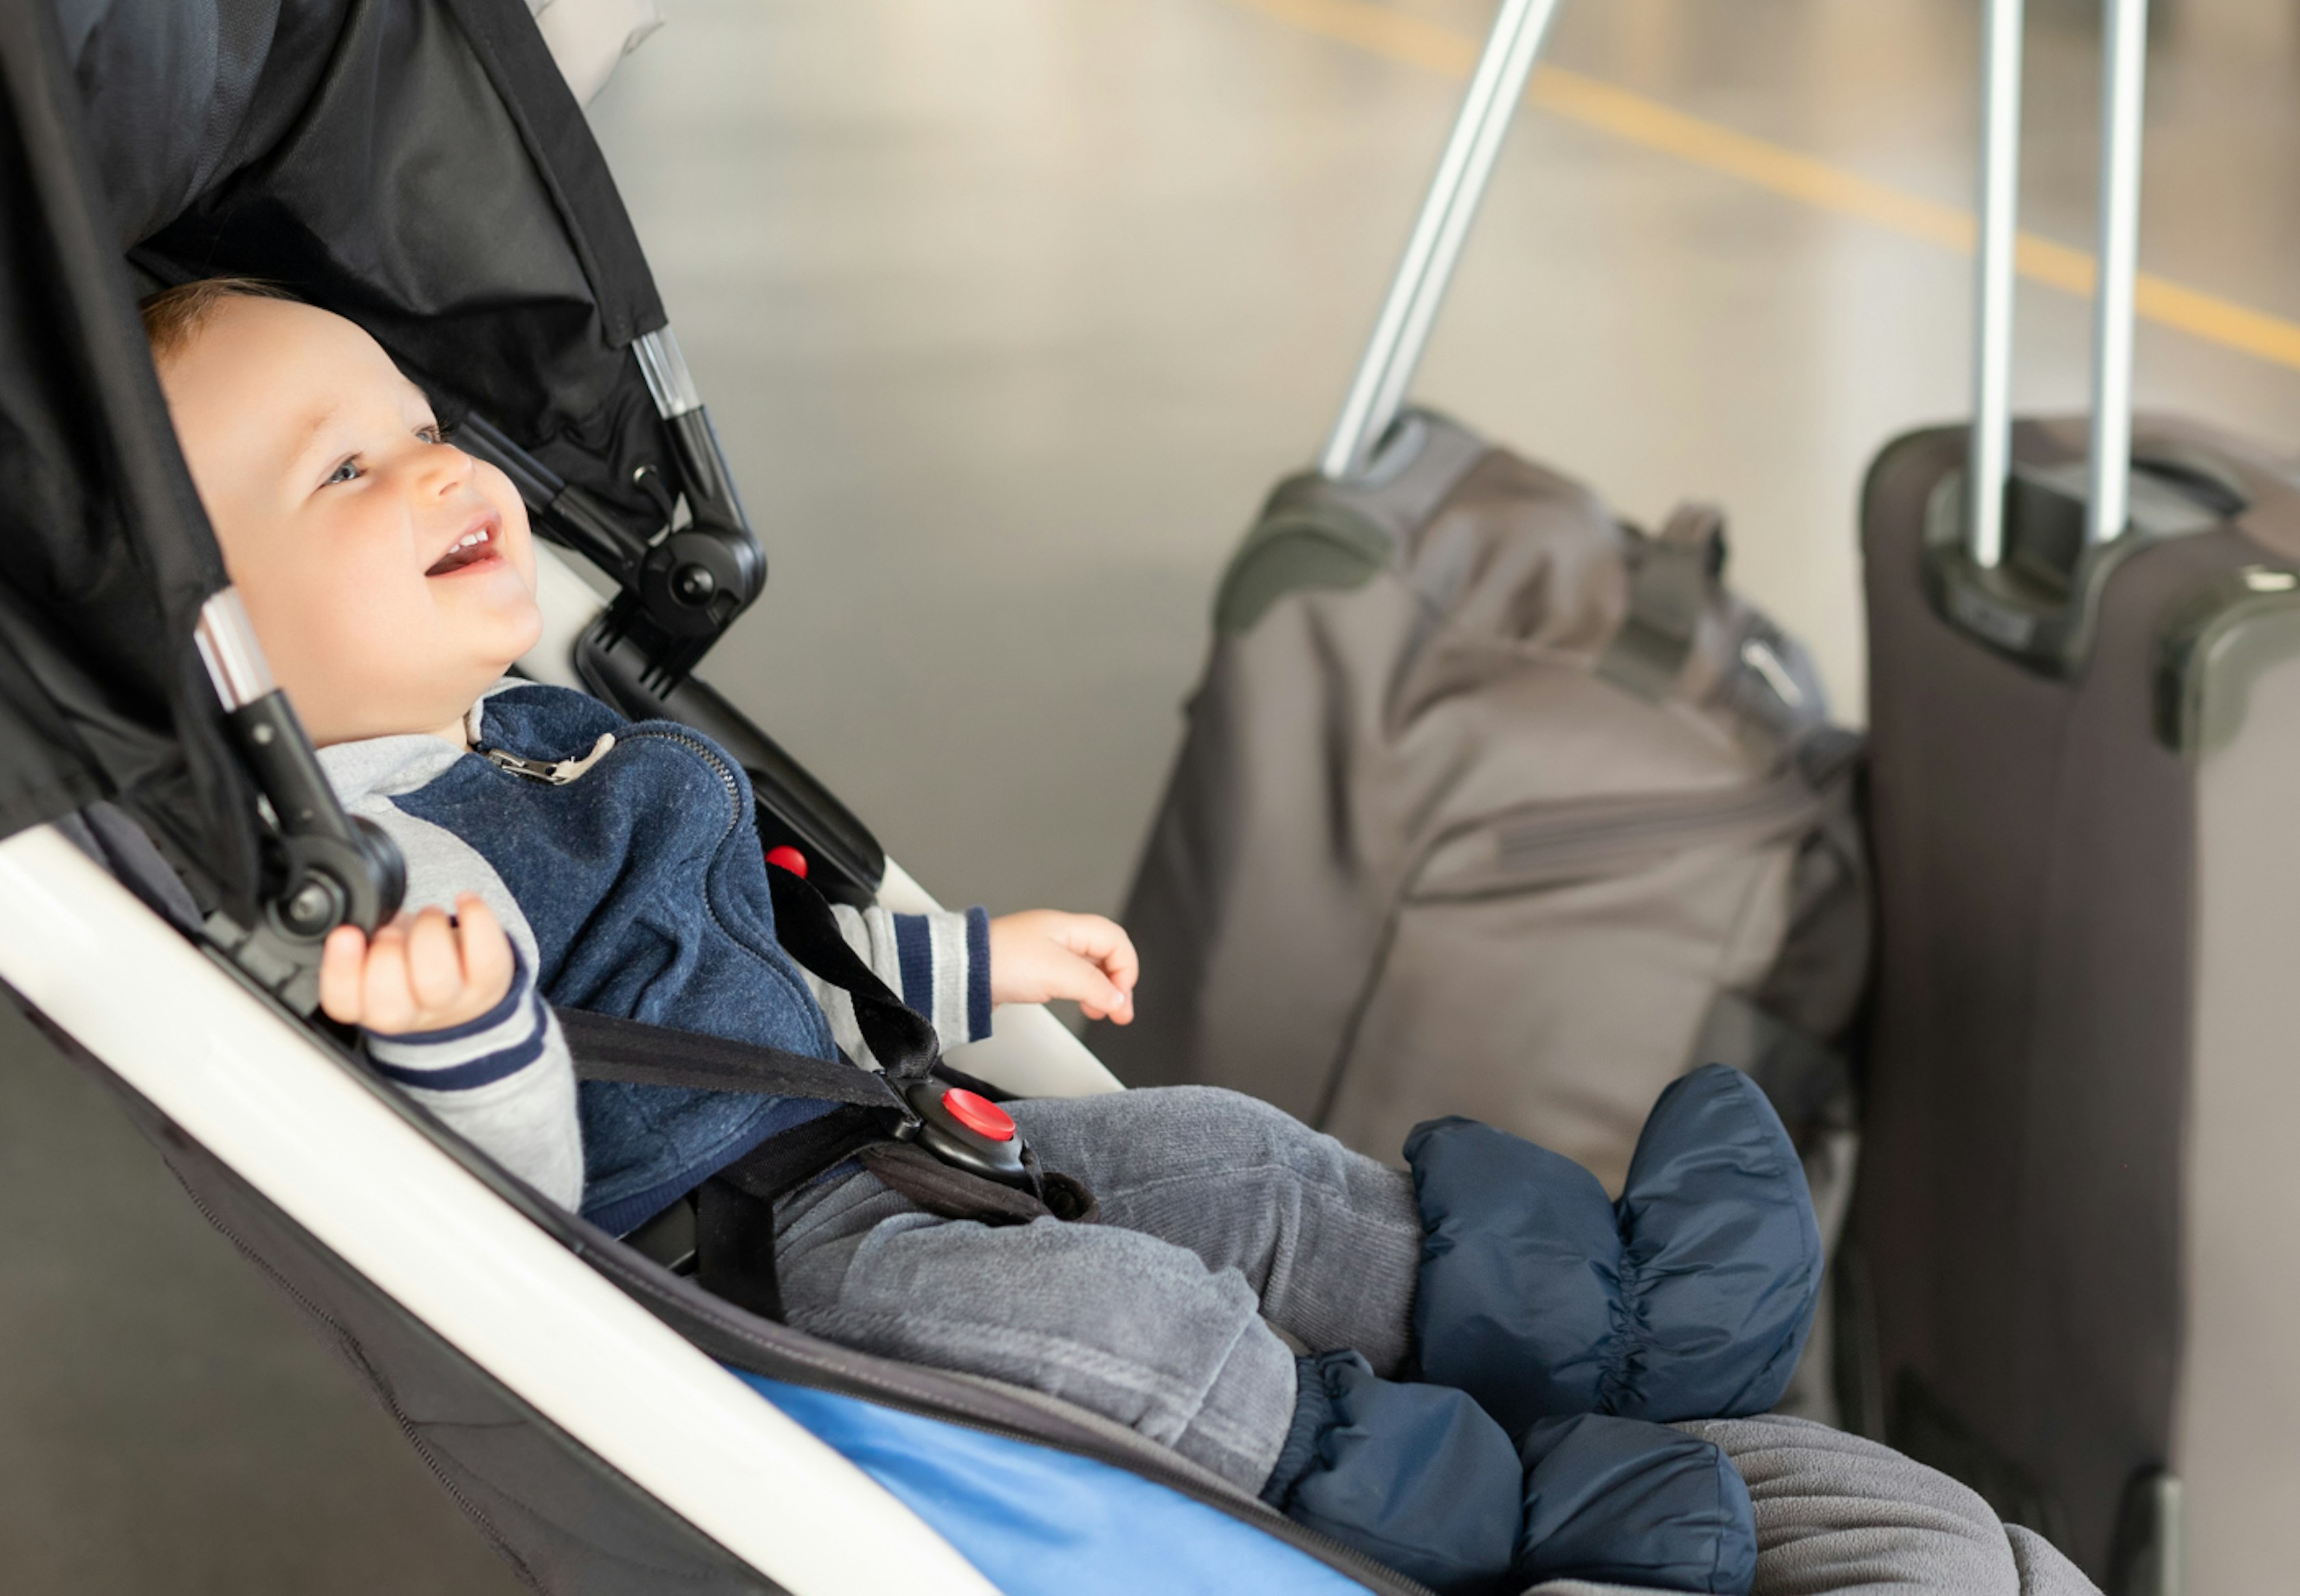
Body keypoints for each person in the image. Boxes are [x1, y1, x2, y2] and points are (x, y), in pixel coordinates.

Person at [149, 276, 1822, 1595]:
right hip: (781, 1267)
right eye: (347, 470)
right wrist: (462, 1037)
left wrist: (972, 962)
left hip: (877, 1128)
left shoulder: (529, 723)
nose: (445, 466)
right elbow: (502, 1190)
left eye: (424, 423)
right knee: (1118, 1334)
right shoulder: (380, 862)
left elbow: (765, 950)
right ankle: (1493, 1518)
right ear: (224, 645)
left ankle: (1615, 1319)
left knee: (1228, 1162)